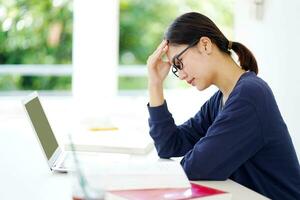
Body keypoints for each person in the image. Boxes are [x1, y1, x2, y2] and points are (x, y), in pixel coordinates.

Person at [146, 12, 300, 200]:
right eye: (176, 69)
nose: (182, 74)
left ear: (205, 44)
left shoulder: (249, 96)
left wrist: (200, 153)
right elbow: (169, 145)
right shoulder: (221, 100)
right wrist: (155, 84)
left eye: (179, 62)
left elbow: (196, 169)